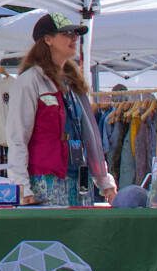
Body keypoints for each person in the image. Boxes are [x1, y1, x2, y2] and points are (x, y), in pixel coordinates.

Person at [8, 13, 117, 205]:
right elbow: (17, 137)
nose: (74, 38)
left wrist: (104, 180)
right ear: (47, 39)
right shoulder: (30, 81)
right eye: (66, 34)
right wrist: (21, 186)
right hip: (45, 179)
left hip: (79, 178)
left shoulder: (74, 83)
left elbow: (89, 135)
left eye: (75, 34)